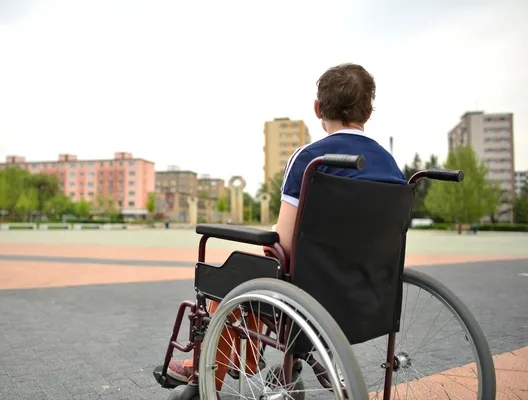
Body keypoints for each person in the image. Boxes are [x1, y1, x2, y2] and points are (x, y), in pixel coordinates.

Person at [158, 63, 406, 386]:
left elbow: (282, 243)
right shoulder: (392, 168)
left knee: (235, 272)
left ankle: (206, 372)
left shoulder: (310, 159)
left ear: (318, 109)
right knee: (255, 272)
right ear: (369, 111)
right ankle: (243, 358)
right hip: (371, 294)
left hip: (310, 293)